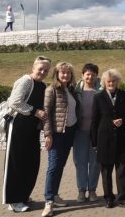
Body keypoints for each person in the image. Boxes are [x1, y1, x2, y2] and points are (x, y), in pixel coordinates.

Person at [2, 56, 50, 213]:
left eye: (46, 70)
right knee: (15, 164)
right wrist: (35, 112)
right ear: (33, 68)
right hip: (18, 128)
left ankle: (22, 195)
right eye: (40, 69)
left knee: (30, 164)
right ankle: (13, 200)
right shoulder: (26, 81)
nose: (42, 72)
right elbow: (14, 102)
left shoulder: (42, 85)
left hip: (32, 130)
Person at [91, 69, 125, 210]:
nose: (111, 83)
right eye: (109, 81)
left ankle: (123, 198)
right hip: (104, 139)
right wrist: (94, 142)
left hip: (122, 138)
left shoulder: (124, 94)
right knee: (106, 171)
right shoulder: (98, 97)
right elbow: (95, 120)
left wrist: (123, 120)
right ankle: (109, 198)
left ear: (118, 82)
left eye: (114, 81)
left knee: (122, 169)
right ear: (104, 82)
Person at [41, 62, 80, 217]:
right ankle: (48, 202)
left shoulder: (70, 90)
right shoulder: (51, 90)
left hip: (69, 132)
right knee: (53, 166)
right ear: (57, 74)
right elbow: (46, 114)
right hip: (57, 134)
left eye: (68, 73)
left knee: (60, 165)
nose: (66, 75)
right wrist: (48, 134)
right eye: (63, 73)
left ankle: (55, 196)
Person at [73, 63, 102, 203]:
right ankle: (81, 190)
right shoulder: (76, 90)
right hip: (79, 131)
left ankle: (92, 190)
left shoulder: (101, 90)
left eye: (93, 74)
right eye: (87, 74)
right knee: (80, 162)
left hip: (96, 132)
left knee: (95, 162)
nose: (90, 77)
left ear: (97, 76)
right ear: (83, 75)